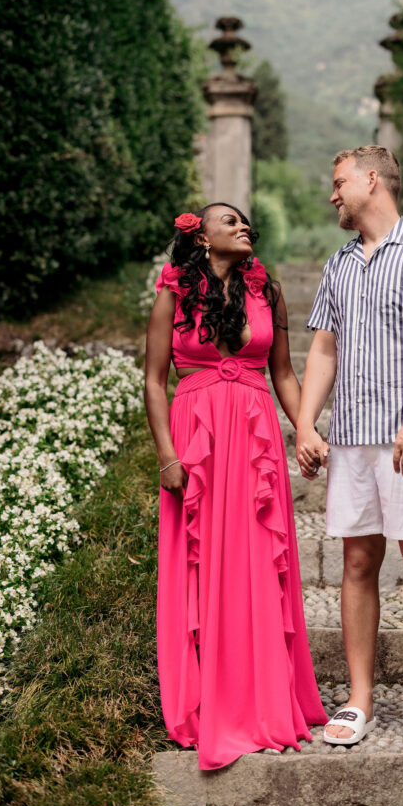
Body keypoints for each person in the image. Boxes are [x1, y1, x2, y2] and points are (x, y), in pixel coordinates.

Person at [296, 146, 403, 752]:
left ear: (372, 181)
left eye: (339, 181)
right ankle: (359, 698)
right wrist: (306, 424)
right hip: (350, 437)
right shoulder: (338, 264)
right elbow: (323, 349)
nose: (333, 194)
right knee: (356, 563)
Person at [145, 203, 327, 770]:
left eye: (247, 222)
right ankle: (204, 701)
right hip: (196, 440)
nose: (244, 226)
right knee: (201, 568)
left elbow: (284, 374)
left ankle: (264, 697)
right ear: (200, 237)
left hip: (253, 439)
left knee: (255, 564)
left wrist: (306, 429)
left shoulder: (265, 290)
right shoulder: (173, 290)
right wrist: (167, 458)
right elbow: (153, 380)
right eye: (231, 221)